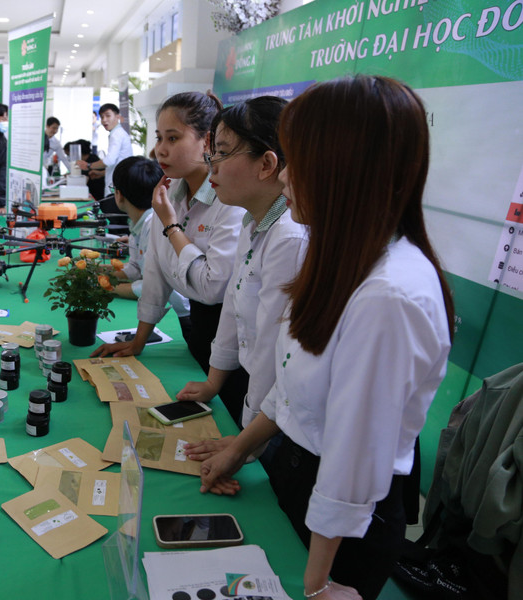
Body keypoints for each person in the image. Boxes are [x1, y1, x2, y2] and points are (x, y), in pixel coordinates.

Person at [190, 75, 454, 600]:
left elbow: (354, 454)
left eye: (299, 161)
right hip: (298, 480)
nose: (286, 177)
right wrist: (240, 447)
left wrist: (316, 584)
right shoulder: (341, 259)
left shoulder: (389, 294)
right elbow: (292, 385)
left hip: (340, 533)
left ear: (345, 168)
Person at [176, 97, 308, 428]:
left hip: (273, 410)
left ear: (266, 164)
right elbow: (233, 306)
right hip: (250, 387)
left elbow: (270, 351)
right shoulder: (252, 219)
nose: (212, 165)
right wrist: (212, 382)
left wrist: (246, 440)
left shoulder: (288, 238)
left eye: (221, 152)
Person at [92, 91, 244, 374]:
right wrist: (138, 341)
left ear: (207, 141)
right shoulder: (169, 191)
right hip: (197, 327)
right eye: (159, 138)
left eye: (173, 139)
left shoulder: (229, 200)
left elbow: (212, 288)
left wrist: (172, 227)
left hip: (230, 334)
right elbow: (155, 270)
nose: (160, 150)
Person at [109, 155, 191, 339]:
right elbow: (135, 269)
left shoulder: (152, 225)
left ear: (119, 194)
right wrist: (99, 272)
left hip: (185, 315)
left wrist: (107, 287)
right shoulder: (138, 222)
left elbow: (148, 285)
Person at [76, 103, 133, 195]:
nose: (104, 120)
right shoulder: (117, 133)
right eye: (102, 117)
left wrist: (88, 165)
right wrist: (101, 173)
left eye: (108, 116)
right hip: (117, 183)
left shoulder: (117, 134)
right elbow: (116, 163)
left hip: (117, 186)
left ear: (117, 117)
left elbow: (109, 160)